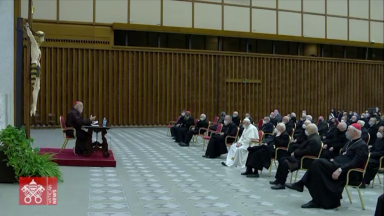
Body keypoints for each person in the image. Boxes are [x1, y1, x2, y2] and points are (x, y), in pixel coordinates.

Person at [285, 123, 368, 209]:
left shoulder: (362, 145)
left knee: (317, 163)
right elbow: (343, 156)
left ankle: (303, 185)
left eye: (348, 130)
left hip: (347, 172)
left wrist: (340, 170)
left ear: (355, 132)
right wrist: (334, 159)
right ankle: (315, 199)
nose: (346, 132)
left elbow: (355, 162)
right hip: (337, 165)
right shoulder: (349, 143)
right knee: (316, 170)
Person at [269, 124, 322, 190]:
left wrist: (295, 153)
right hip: (300, 158)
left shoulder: (314, 140)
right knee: (282, 159)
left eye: (306, 130)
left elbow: (307, 151)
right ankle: (278, 180)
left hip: (305, 161)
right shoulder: (312, 137)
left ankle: (281, 184)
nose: (305, 131)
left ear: (311, 131)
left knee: (285, 163)